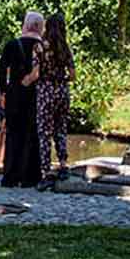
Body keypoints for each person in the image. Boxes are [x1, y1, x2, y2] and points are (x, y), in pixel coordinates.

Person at [0, 11, 44, 188]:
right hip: (35, 95)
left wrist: (3, 93)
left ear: (25, 25)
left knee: (13, 134)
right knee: (32, 135)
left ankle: (10, 175)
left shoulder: (12, 44)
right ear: (40, 27)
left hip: (14, 94)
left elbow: (1, 70)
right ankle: (29, 177)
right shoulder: (42, 47)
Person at [35, 13, 75, 190]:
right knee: (60, 128)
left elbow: (35, 72)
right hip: (62, 91)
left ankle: (45, 171)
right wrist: (62, 78)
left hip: (45, 91)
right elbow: (73, 76)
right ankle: (64, 164)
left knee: (44, 131)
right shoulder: (65, 48)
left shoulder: (40, 48)